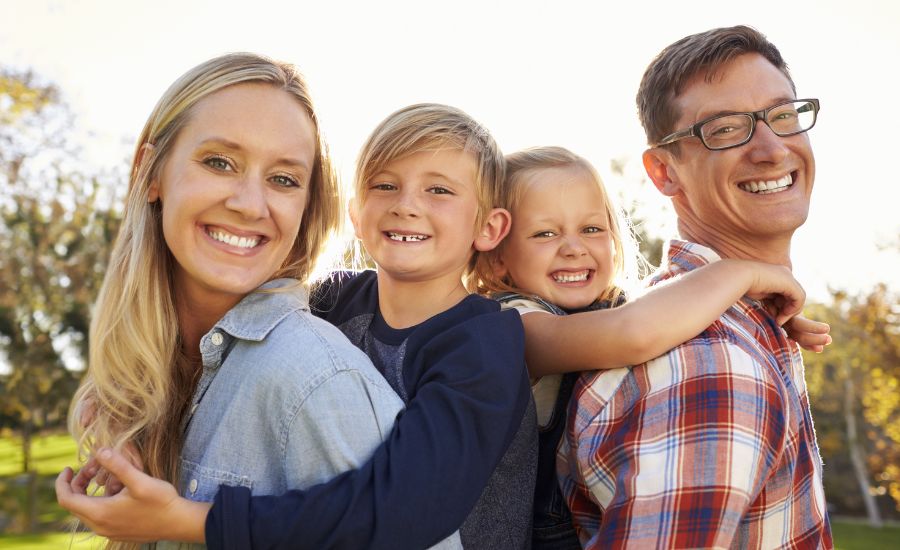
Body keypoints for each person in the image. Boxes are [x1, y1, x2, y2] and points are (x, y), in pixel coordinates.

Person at [59, 103, 535, 549]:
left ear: (489, 228)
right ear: (355, 213)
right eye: (385, 185)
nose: (405, 205)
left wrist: (188, 519)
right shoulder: (334, 300)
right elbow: (215, 339)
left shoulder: (482, 344)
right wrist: (121, 404)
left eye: (439, 190)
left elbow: (403, 510)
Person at [55, 53, 406, 549]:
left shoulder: (315, 378)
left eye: (283, 179)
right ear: (149, 172)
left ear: (307, 207)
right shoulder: (162, 374)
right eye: (219, 162)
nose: (248, 203)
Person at [556, 26, 833, 548]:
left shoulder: (741, 322)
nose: (772, 149)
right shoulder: (713, 364)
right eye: (726, 129)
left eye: (782, 115)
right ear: (663, 172)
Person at [475, 145, 830, 549]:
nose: (574, 247)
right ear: (495, 259)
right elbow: (633, 333)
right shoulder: (509, 324)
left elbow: (666, 312)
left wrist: (756, 316)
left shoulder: (609, 307)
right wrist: (740, 274)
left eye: (592, 229)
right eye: (545, 233)